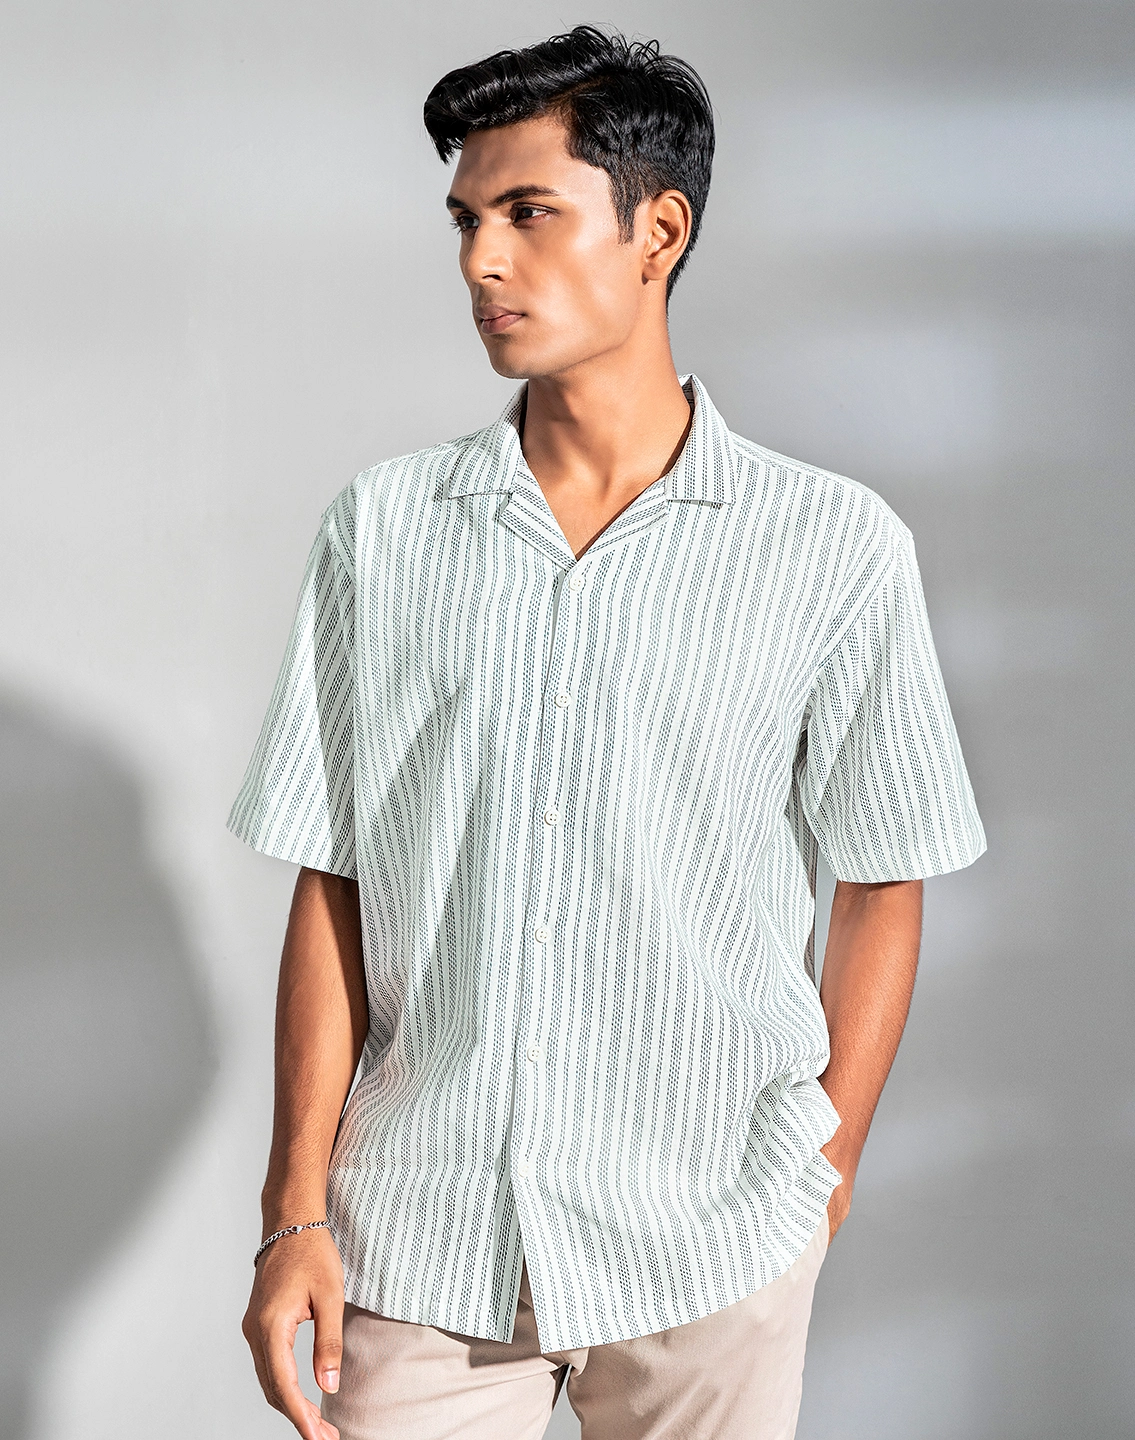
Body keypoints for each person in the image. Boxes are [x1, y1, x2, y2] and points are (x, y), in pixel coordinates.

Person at [229, 24, 986, 1440]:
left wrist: (820, 1180)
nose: (481, 261)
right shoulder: (384, 532)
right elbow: (332, 878)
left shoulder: (833, 548)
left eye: (529, 213)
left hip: (711, 1241)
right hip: (420, 1233)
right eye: (465, 220)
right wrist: (294, 1214)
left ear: (659, 232)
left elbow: (886, 876)